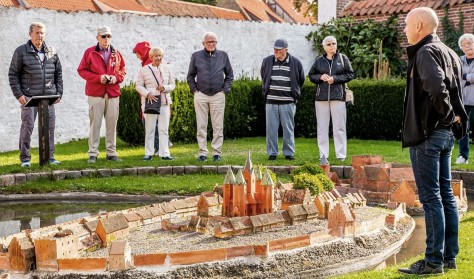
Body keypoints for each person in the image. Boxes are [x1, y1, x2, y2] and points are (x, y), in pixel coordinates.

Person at [398, 7, 467, 275]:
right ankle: (449, 258)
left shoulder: (426, 52)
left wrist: (447, 117)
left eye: (406, 25)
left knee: (431, 198)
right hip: (445, 135)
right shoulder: (449, 52)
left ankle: (433, 261)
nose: (404, 29)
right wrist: (451, 122)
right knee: (446, 196)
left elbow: (437, 88)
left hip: (429, 134)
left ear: (419, 26)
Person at [8, 22, 63, 167]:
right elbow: (13, 74)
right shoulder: (21, 51)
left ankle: (50, 157)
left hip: (48, 99)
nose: (40, 36)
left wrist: (59, 93)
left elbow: (58, 74)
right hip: (29, 97)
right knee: (28, 126)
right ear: (30, 34)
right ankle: (25, 159)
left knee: (50, 128)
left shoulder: (52, 51)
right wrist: (19, 94)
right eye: (37, 33)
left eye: (42, 33)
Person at [77, 26, 126, 163]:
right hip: (95, 94)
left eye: (109, 36)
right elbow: (82, 71)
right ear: (97, 37)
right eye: (103, 36)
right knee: (95, 124)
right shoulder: (90, 52)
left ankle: (111, 152)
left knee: (112, 124)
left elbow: (122, 70)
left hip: (113, 93)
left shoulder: (117, 53)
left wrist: (116, 78)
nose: (106, 39)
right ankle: (93, 153)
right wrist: (99, 78)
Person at [187, 32, 234, 162]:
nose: (212, 44)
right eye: (209, 42)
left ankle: (216, 153)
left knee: (218, 126)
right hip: (200, 94)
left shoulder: (223, 56)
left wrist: (224, 90)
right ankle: (202, 152)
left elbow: (229, 75)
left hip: (218, 94)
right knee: (201, 125)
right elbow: (190, 76)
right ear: (203, 43)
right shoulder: (196, 56)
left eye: (214, 42)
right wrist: (195, 90)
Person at [308, 35, 354, 163]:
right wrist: (320, 77)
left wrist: (335, 79)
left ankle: (341, 154)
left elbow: (350, 74)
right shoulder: (319, 60)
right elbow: (311, 76)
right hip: (321, 98)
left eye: (334, 43)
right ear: (324, 47)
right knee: (322, 128)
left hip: (338, 97)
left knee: (339, 127)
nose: (332, 46)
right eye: (328, 44)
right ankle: (323, 155)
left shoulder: (343, 58)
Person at [260, 38, 305, 161]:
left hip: (288, 101)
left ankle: (288, 152)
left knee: (288, 128)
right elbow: (264, 77)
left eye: (278, 49)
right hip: (271, 101)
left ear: (286, 50)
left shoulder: (296, 63)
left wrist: (294, 94)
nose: (276, 51)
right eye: (275, 49)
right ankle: (272, 153)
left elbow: (301, 80)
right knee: (271, 129)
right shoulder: (267, 61)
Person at [135, 47, 175, 160]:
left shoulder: (167, 69)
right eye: (156, 56)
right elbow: (138, 86)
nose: (158, 58)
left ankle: (165, 153)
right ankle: (149, 153)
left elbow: (173, 84)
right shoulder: (144, 70)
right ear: (151, 57)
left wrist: (165, 87)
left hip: (164, 103)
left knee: (164, 129)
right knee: (150, 128)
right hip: (150, 102)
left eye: (160, 56)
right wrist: (148, 94)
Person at [133, 41, 159, 155]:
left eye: (138, 53)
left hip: (151, 97)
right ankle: (158, 146)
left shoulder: (149, 64)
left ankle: (159, 146)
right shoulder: (146, 63)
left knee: (150, 122)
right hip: (149, 97)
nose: (137, 56)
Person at [455, 33, 474, 165]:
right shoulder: (458, 60)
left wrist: (465, 77)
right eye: (464, 45)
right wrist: (468, 78)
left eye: (469, 43)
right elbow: (454, 77)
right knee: (462, 129)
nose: (467, 46)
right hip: (462, 102)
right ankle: (463, 156)